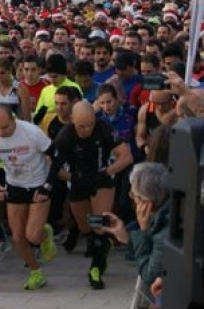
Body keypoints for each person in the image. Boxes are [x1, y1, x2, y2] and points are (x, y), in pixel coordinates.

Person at [52, 101, 133, 289]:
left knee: (98, 222)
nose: (87, 130)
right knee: (85, 226)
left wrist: (108, 171)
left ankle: (96, 268)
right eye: (82, 126)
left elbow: (126, 156)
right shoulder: (65, 136)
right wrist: (71, 176)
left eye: (90, 124)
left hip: (101, 178)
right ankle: (102, 244)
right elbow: (53, 166)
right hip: (78, 180)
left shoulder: (104, 128)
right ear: (72, 121)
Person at [0, 106, 59, 290]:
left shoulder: (31, 132)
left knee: (33, 235)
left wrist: (48, 186)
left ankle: (45, 234)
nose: (1, 132)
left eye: (5, 127)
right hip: (15, 185)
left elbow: (57, 156)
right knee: (18, 238)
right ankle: (35, 272)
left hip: (38, 183)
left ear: (13, 120)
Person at [100, 162, 169, 307]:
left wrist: (143, 230)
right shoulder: (164, 216)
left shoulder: (165, 229)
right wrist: (126, 237)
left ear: (146, 203)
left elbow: (149, 274)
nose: (133, 200)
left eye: (134, 195)